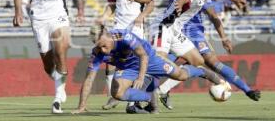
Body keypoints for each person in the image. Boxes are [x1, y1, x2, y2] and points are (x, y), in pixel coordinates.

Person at [121, 0, 261, 107]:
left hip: (175, 30)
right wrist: (179, 5)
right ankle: (133, 101)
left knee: (198, 62)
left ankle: (164, 88)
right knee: (157, 66)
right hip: (162, 28)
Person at [71, 28, 230, 114]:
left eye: (104, 46)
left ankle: (201, 71)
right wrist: (81, 106)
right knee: (116, 93)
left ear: (110, 37)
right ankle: (148, 97)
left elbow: (143, 55)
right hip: (127, 67)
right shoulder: (97, 52)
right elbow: (89, 79)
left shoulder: (124, 37)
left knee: (180, 75)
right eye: (98, 46)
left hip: (150, 58)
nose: (103, 50)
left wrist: (141, 77)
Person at [13, 0, 84, 114]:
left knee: (61, 49)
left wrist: (81, 9)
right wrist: (18, 11)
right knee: (47, 63)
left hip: (58, 13)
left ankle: (58, 97)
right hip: (38, 16)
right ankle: (59, 82)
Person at [96, 0, 154, 112]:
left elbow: (150, 4)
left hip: (136, 29)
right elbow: (112, 5)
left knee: (133, 65)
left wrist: (142, 16)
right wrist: (104, 17)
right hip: (118, 28)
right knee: (109, 62)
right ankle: (113, 95)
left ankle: (131, 103)